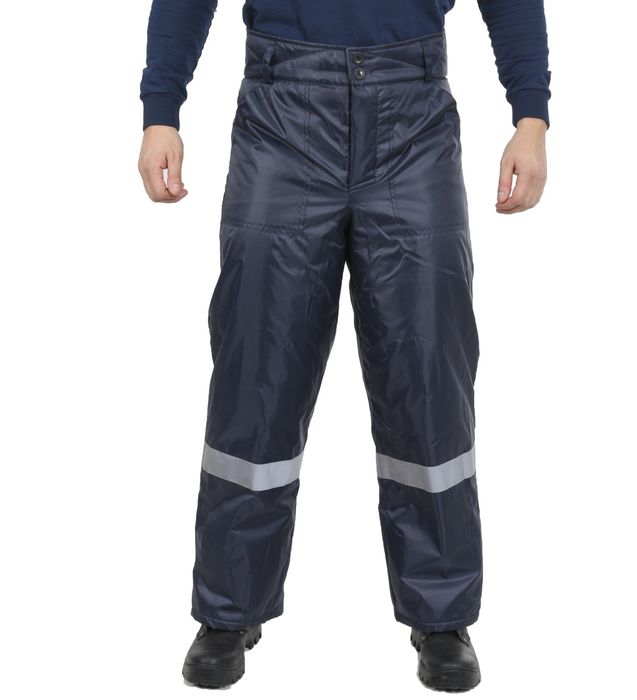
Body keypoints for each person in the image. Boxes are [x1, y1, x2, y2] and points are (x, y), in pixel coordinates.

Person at [137, 0, 551, 692]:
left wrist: (530, 116)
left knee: (428, 368)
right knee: (256, 366)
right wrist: (161, 110)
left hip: (412, 116)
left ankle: (442, 615)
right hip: (282, 115)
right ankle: (229, 610)